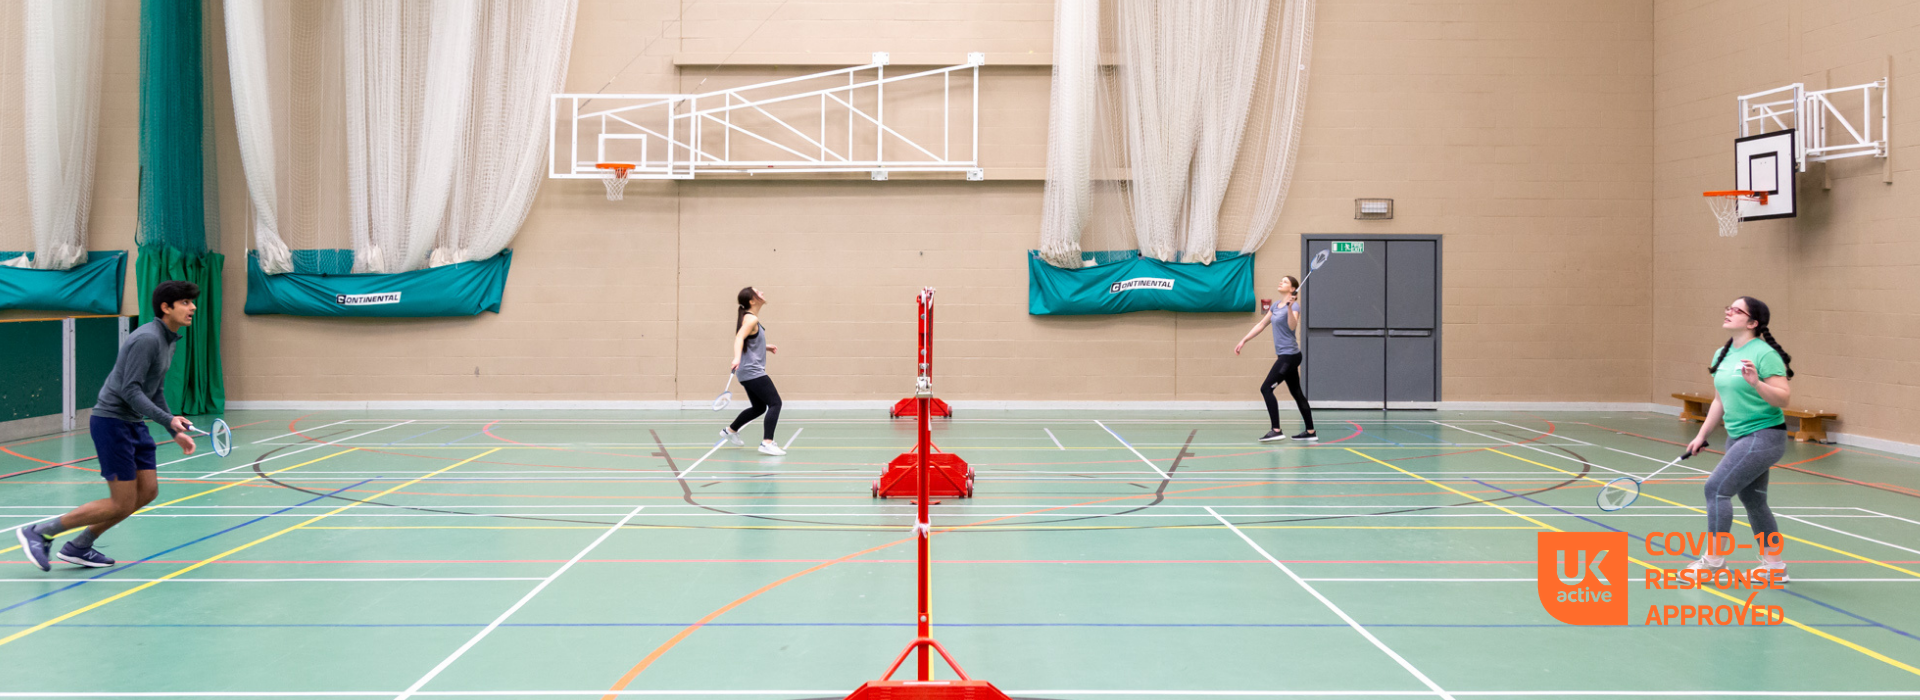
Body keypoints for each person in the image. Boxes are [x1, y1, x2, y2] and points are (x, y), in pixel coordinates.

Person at [15, 281, 201, 571]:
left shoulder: (169, 340)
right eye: (186, 302)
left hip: (133, 423)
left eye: (192, 302)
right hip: (112, 423)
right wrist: (167, 420)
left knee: (148, 491)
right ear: (166, 308)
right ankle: (39, 532)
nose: (193, 308)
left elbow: (155, 390)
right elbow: (131, 390)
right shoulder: (148, 339)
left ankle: (79, 546)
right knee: (120, 503)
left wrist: (173, 429)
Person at [1684, 296, 1792, 583]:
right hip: (1738, 437)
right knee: (1754, 501)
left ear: (1752, 322)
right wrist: (1701, 434)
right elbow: (1720, 399)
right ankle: (1774, 566)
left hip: (1764, 436)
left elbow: (1783, 398)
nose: (1728, 311)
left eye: (1737, 310)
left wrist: (1757, 383)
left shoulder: (1764, 353)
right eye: (1728, 307)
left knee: (1716, 489)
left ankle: (1712, 562)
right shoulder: (1724, 351)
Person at [1234, 276, 1316, 443]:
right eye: (1281, 280)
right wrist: (1244, 340)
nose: (1281, 282)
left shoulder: (1295, 306)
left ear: (1293, 289)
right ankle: (1310, 431)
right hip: (1284, 356)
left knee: (1266, 388)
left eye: (1285, 281)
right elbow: (1261, 324)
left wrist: (1291, 306)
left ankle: (1276, 430)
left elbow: (1293, 326)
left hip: (1290, 356)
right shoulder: (1275, 306)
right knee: (1297, 393)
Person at [722, 287, 786, 456]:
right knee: (775, 403)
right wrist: (736, 357)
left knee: (759, 407)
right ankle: (767, 442)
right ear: (752, 300)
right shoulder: (750, 319)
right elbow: (739, 338)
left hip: (746, 372)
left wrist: (764, 347)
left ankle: (731, 430)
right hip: (752, 371)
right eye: (758, 292)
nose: (762, 293)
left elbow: (749, 342)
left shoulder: (750, 319)